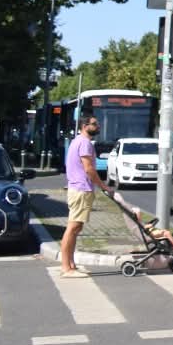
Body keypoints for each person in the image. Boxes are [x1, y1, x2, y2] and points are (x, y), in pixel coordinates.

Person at [60, 114, 108, 277]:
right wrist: (103, 186)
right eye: (95, 124)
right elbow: (89, 169)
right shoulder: (85, 143)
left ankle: (71, 264)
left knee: (76, 227)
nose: (98, 126)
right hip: (81, 189)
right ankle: (66, 267)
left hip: (78, 188)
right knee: (73, 227)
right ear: (85, 126)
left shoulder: (77, 141)